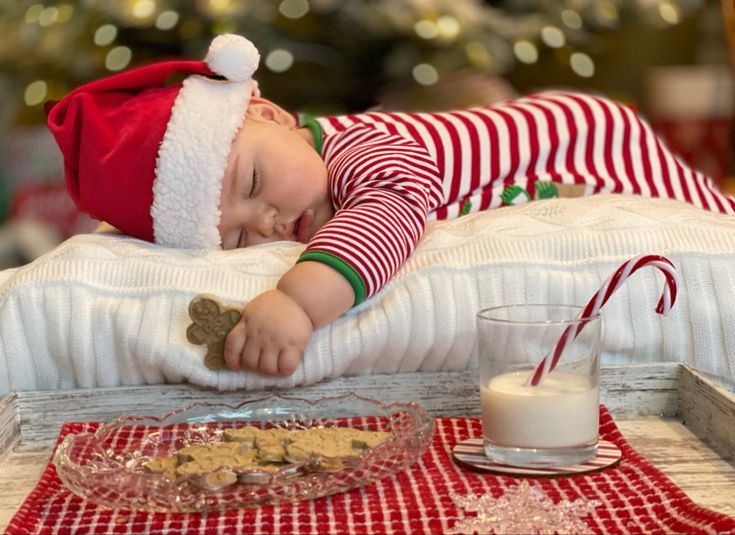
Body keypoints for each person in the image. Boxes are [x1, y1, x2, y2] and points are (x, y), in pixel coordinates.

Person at [46, 34, 735, 378]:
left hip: (583, 143)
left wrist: (298, 301)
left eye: (254, 182)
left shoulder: (366, 145)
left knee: (705, 220)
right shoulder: (293, 179)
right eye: (230, 236)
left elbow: (394, 209)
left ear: (274, 113)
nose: (262, 222)